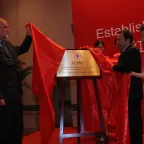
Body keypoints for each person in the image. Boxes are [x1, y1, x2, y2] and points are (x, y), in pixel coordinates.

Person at [0, 18, 32, 144]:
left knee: (16, 124)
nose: (8, 30)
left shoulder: (7, 45)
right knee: (4, 127)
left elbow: (22, 49)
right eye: (5, 27)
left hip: (15, 92)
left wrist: (29, 37)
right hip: (3, 95)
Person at [113, 30, 143, 144]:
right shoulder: (124, 52)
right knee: (130, 119)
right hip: (127, 92)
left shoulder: (133, 51)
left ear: (128, 40)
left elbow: (125, 67)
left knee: (134, 119)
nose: (117, 41)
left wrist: (113, 66)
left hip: (133, 92)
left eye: (119, 39)